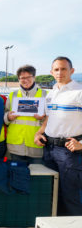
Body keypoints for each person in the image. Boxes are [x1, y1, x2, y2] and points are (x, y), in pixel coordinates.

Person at [34, 56, 82, 216]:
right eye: (56, 69)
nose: (59, 72)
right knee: (50, 194)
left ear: (72, 71)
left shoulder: (79, 92)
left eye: (63, 69)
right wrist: (39, 133)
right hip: (49, 149)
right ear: (51, 72)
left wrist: (81, 144)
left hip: (69, 152)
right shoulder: (50, 94)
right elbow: (48, 119)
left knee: (70, 196)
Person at [5, 65, 46, 164]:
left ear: (34, 77)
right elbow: (5, 114)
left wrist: (42, 118)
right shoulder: (12, 95)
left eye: (28, 77)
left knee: (37, 178)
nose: (25, 80)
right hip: (15, 146)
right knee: (17, 176)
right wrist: (8, 117)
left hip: (36, 146)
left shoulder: (45, 95)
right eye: (22, 78)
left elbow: (51, 120)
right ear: (18, 79)